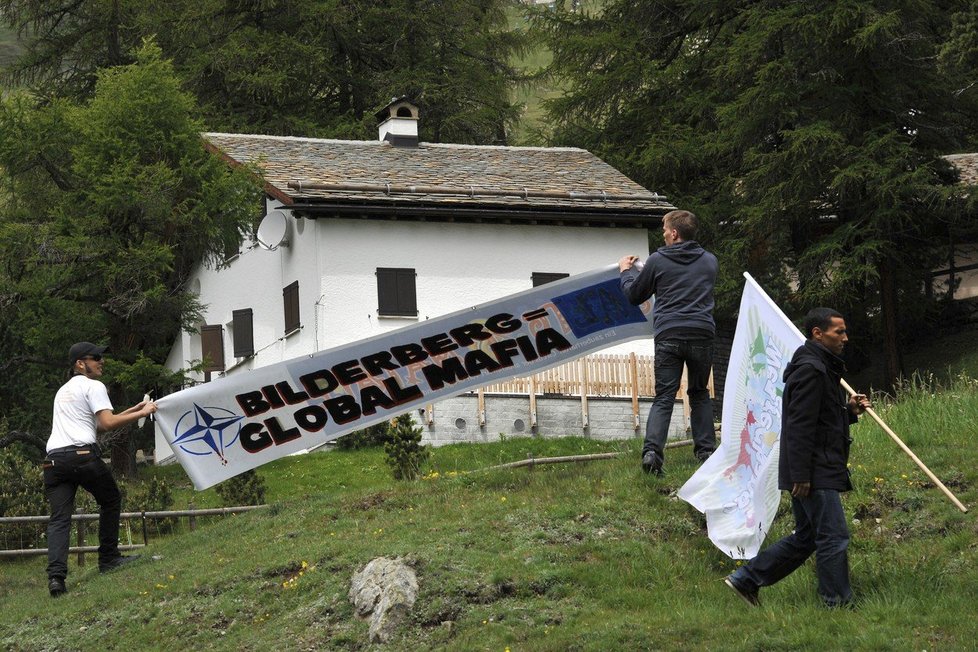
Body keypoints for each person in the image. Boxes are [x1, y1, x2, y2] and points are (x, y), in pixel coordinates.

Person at [724, 308, 871, 608]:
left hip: (814, 467)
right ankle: (836, 602)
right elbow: (799, 426)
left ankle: (746, 579)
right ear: (818, 333)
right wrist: (801, 475)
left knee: (807, 538)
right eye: (838, 332)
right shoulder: (811, 371)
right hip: (814, 471)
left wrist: (848, 412)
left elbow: (821, 420)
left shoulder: (821, 368)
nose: (846, 337)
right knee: (833, 537)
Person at [43, 342, 157, 597]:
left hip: (53, 461)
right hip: (82, 456)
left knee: (60, 519)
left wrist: (134, 410)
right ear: (79, 364)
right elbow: (106, 422)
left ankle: (56, 579)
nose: (101, 361)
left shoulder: (62, 391)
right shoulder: (94, 386)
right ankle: (108, 559)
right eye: (95, 358)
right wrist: (146, 412)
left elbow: (99, 426)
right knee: (111, 499)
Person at [619, 209, 719, 475]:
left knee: (664, 396)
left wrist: (626, 272)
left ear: (674, 234)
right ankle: (707, 453)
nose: (662, 235)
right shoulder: (710, 261)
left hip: (669, 334)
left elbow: (634, 295)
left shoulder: (657, 261)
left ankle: (652, 454)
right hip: (702, 333)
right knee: (699, 393)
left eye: (664, 231)